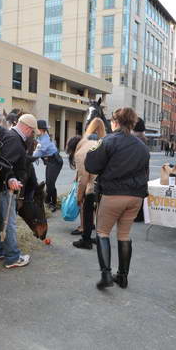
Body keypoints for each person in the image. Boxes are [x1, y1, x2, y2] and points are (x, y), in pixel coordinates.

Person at [85, 107, 150, 290]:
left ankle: (106, 274)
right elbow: (145, 173)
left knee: (103, 232)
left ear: (115, 122)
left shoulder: (108, 140)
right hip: (135, 196)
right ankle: (122, 276)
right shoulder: (143, 147)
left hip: (113, 194)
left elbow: (92, 165)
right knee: (124, 235)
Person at [0, 114, 39, 268]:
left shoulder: (9, 135)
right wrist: (10, 179)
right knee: (8, 222)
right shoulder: (15, 141)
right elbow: (3, 163)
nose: (32, 135)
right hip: (4, 189)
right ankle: (12, 257)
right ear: (27, 128)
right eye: (32, 132)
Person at [67, 118, 107, 249]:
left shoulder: (80, 152)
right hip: (106, 185)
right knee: (101, 213)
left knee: (87, 210)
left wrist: (79, 197)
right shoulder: (99, 142)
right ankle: (100, 238)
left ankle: (86, 240)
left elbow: (83, 180)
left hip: (93, 186)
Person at [31, 120, 63, 211]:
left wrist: (27, 157)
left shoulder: (44, 140)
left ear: (41, 130)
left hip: (55, 162)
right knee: (49, 182)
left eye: (36, 129)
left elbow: (36, 154)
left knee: (50, 183)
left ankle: (53, 203)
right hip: (50, 161)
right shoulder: (41, 137)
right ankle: (49, 201)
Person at [132, 117, 148, 222]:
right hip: (143, 170)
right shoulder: (144, 138)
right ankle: (141, 214)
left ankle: (136, 215)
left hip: (134, 170)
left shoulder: (133, 138)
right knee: (141, 192)